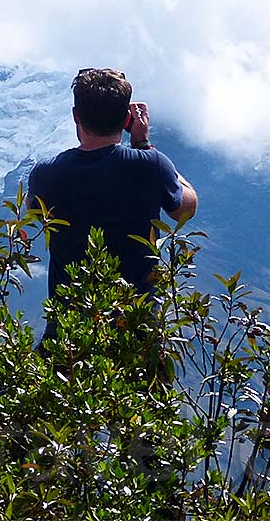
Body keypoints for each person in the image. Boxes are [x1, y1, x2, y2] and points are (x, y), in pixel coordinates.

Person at [27, 67, 198, 346]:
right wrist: (143, 144)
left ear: (76, 116)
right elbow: (185, 208)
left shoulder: (47, 173)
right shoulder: (150, 165)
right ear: (127, 118)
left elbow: (32, 213)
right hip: (136, 328)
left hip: (67, 333)